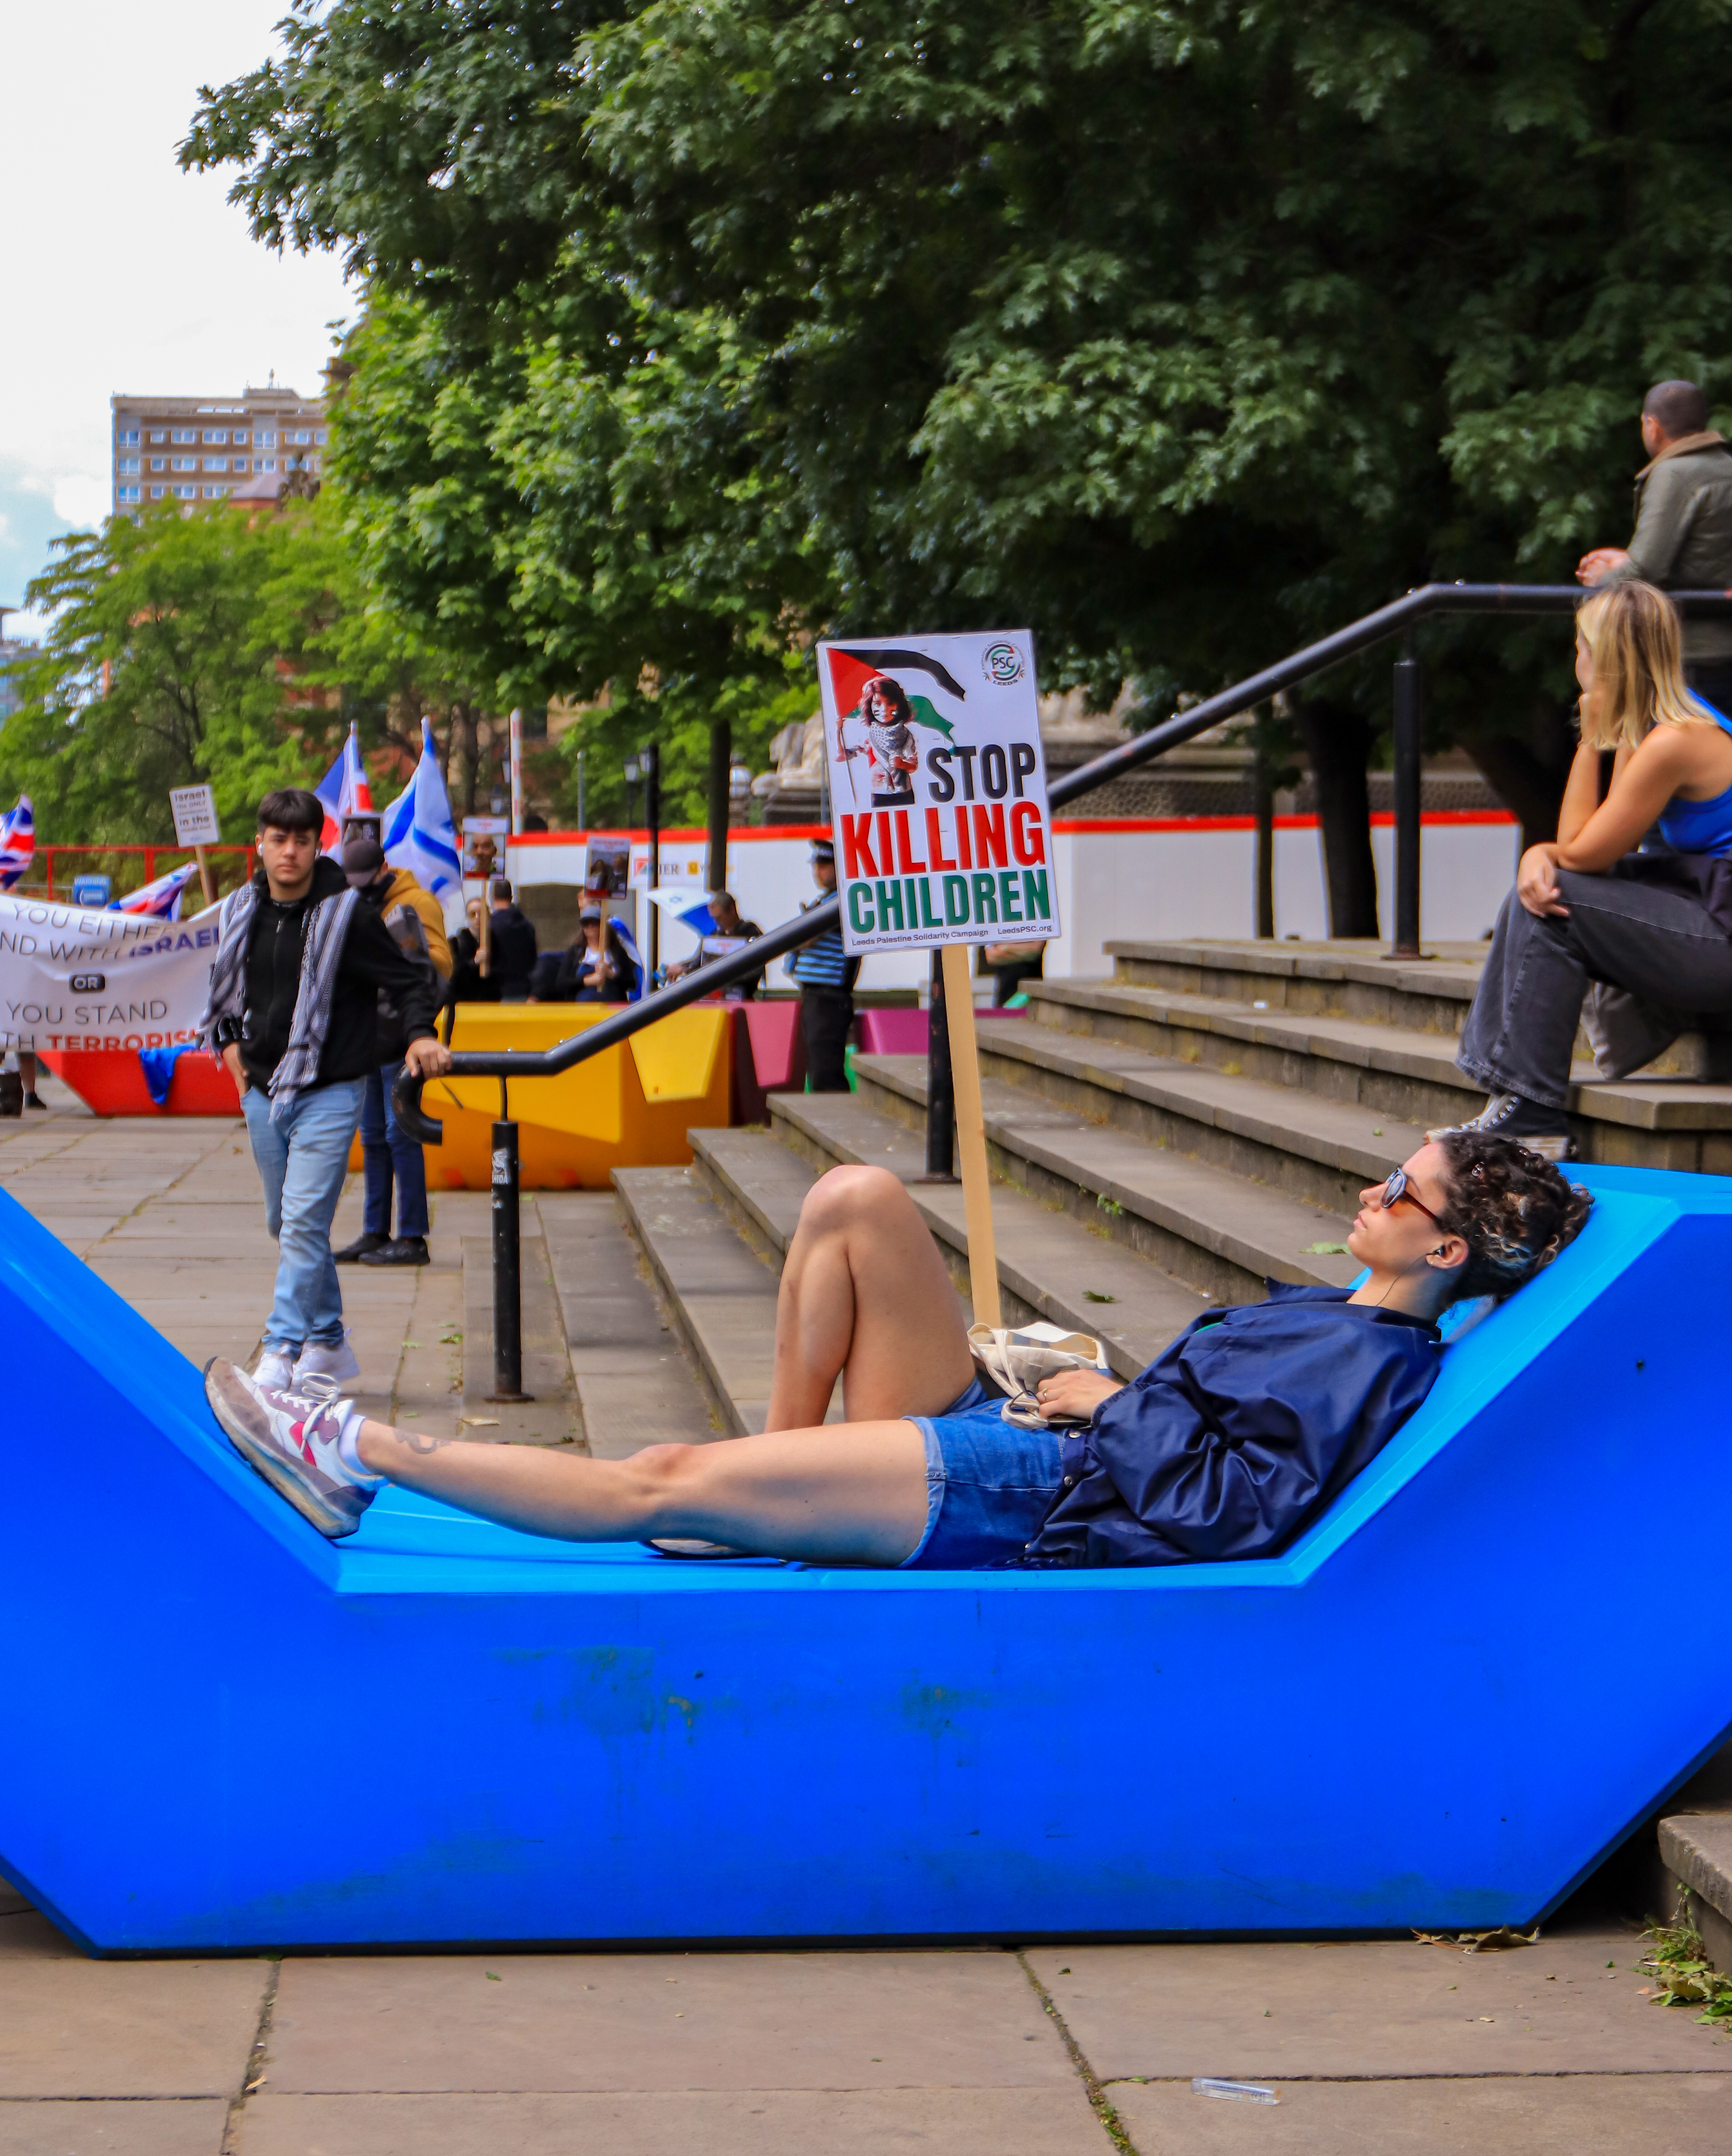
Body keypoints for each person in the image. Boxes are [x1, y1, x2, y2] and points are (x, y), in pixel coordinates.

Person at [206, 1127, 1589, 1560]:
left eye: (1394, 1192)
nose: (1365, 1193)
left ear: (1447, 1250)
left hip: (1032, 1489)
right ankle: (783, 1479)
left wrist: (1103, 1399)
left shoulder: (1373, 1364)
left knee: (658, 1479)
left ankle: (354, 1447)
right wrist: (1077, 1378)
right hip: (1040, 1438)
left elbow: (1235, 1511)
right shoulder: (1336, 1314)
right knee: (857, 1201)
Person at [1456, 580, 1732, 1149]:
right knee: (1547, 891)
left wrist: (1588, 739)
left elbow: (1581, 855)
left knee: (1550, 897)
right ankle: (1518, 1101)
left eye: (1581, 646)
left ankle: (1529, 1113)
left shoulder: (1676, 740)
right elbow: (1587, 854)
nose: (1574, 659)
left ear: (1605, 659)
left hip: (1722, 931)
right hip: (1708, 907)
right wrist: (1550, 854)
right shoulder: (1656, 729)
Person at [205, 787, 449, 1389]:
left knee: (305, 1222)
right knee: (283, 1223)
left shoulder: (349, 915)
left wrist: (419, 1034)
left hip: (333, 1087)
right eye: (279, 839)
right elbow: (227, 991)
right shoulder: (239, 910)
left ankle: (281, 1350)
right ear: (259, 844)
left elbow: (412, 978)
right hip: (264, 1090)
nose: (289, 852)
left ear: (319, 845)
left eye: (302, 841)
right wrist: (231, 1044)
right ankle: (331, 1342)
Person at [330, 815, 447, 1270]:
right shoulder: (356, 904)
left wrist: (398, 959)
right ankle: (375, 1231)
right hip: (366, 1038)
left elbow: (438, 968)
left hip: (400, 1037)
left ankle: (413, 1236)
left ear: (384, 870)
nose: (358, 891)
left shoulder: (413, 904)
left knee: (402, 1137)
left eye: (365, 882)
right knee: (373, 1139)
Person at [1577, 380, 1732, 715]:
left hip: (1692, 657)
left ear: (1652, 425)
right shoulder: (1725, 467)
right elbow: (1705, 556)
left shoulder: (1674, 473)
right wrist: (1627, 559)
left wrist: (1601, 581)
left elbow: (1645, 571)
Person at [785, 838, 861, 1092]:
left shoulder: (838, 901)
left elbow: (805, 938)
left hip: (828, 997)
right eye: (816, 865)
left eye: (825, 864)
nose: (819, 871)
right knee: (818, 1068)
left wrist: (791, 940)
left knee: (825, 1072)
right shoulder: (825, 900)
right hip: (817, 996)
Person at [532, 897, 639, 1004]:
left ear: (602, 925)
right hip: (582, 1012)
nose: (590, 927)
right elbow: (562, 983)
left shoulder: (616, 952)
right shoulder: (576, 953)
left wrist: (611, 974)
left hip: (611, 1012)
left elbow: (631, 984)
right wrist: (587, 981)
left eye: (594, 922)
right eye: (586, 923)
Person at [668, 889, 764, 994]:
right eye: (714, 918)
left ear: (731, 910)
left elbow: (756, 967)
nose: (717, 923)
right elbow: (699, 962)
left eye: (719, 918)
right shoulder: (714, 935)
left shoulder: (749, 932)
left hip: (742, 993)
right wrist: (682, 967)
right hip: (714, 994)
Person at [481, 877, 538, 1000]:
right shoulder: (528, 926)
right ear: (512, 897)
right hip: (525, 990)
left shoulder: (489, 928)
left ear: (492, 897)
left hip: (499, 992)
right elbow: (534, 959)